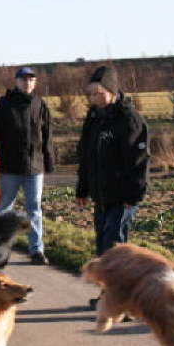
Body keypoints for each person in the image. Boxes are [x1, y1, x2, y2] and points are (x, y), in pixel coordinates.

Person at [74, 66, 150, 307]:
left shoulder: (129, 120)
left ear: (112, 91)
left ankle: (121, 302)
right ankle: (109, 296)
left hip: (122, 196)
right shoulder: (94, 119)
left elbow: (139, 161)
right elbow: (86, 156)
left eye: (100, 93)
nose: (96, 99)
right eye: (92, 94)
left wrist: (134, 195)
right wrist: (82, 189)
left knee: (115, 249)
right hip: (101, 195)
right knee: (104, 249)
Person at [0, 66, 55, 265]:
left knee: (34, 209)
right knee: (4, 209)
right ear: (16, 81)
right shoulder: (3, 105)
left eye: (31, 79)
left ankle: (36, 250)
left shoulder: (40, 105)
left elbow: (47, 135)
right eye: (24, 79)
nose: (28, 82)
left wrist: (48, 160)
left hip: (34, 167)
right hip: (9, 167)